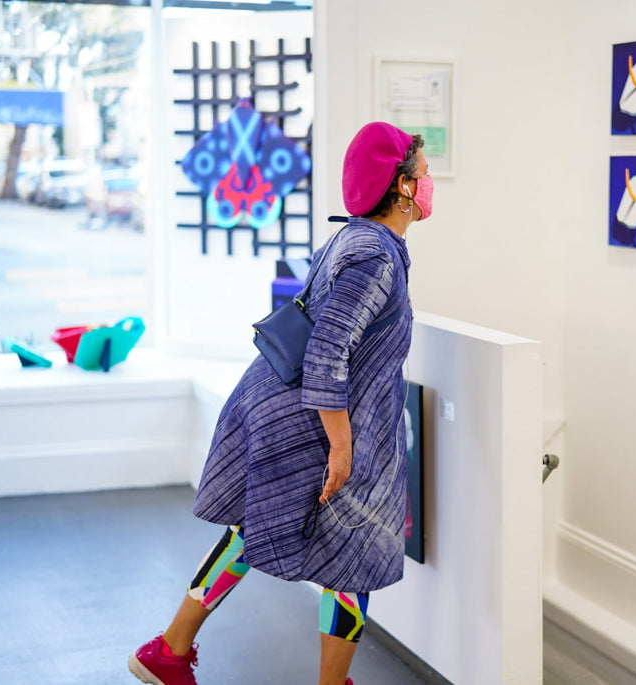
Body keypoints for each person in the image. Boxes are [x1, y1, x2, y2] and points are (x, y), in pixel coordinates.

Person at [128, 121, 432, 685]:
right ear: (403, 188)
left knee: (250, 530)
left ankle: (168, 651)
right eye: (424, 171)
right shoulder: (377, 258)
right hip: (311, 423)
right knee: (354, 552)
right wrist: (342, 446)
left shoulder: (353, 237)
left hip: (276, 407)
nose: (431, 180)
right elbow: (326, 353)